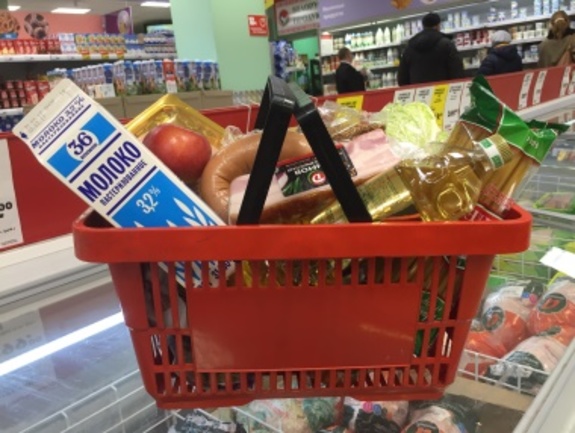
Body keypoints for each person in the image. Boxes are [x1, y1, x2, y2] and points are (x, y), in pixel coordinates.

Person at [398, 13, 464, 86]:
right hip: (442, 90)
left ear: (423, 26)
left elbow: (402, 78)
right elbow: (457, 71)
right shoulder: (446, 44)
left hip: (418, 90)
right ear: (438, 26)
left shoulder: (409, 47)